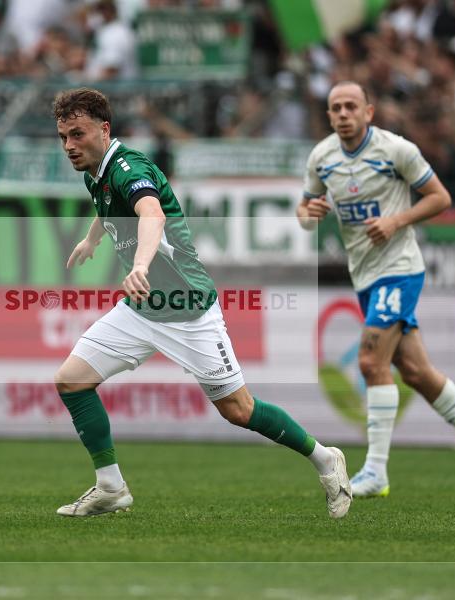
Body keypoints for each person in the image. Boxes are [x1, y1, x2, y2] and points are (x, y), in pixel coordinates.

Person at [50, 88, 352, 519]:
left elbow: (150, 214)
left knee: (239, 410)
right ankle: (111, 487)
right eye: (63, 137)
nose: (69, 146)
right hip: (141, 310)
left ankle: (325, 459)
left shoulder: (127, 167)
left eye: (77, 134)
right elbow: (110, 209)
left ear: (104, 129)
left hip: (187, 308)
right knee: (71, 380)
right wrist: (92, 239)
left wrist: (139, 264)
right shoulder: (94, 171)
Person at [296, 81, 455, 499]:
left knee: (370, 360)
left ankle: (375, 470)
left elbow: (440, 198)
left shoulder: (396, 150)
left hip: (400, 269)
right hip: (366, 277)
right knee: (415, 372)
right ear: (328, 115)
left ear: (368, 112)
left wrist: (396, 221)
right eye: (335, 107)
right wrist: (310, 212)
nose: (343, 114)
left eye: (351, 106)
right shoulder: (321, 157)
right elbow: (304, 212)